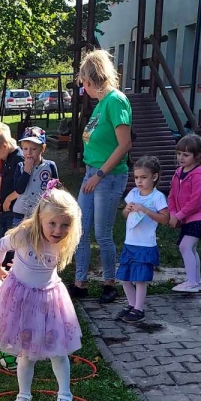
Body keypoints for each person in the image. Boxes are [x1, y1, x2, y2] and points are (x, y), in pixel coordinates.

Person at [0, 187, 83, 401]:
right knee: (25, 353)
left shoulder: (62, 242)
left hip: (49, 301)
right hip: (22, 300)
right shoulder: (24, 235)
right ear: (40, 218)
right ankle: (23, 395)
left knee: (59, 351)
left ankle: (65, 396)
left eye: (65, 225)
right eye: (52, 224)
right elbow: (1, 246)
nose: (58, 230)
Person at [71, 49, 132, 304]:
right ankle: (80, 283)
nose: (83, 88)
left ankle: (109, 283)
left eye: (84, 82)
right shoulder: (100, 105)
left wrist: (99, 174)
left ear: (92, 79)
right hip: (92, 174)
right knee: (80, 230)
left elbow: (124, 144)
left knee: (102, 233)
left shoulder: (116, 101)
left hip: (108, 176)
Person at [115, 156, 169, 322]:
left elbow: (165, 219)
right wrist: (127, 210)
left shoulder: (157, 197)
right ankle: (131, 304)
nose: (139, 181)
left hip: (145, 244)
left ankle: (139, 309)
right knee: (124, 277)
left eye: (144, 177)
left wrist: (146, 210)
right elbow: (124, 215)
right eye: (136, 177)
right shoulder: (133, 193)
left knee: (139, 279)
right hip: (129, 243)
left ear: (154, 176)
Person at [168, 133, 201, 293]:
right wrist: (173, 213)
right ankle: (197, 281)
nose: (181, 158)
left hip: (200, 217)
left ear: (197, 155)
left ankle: (192, 282)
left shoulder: (199, 175)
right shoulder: (178, 172)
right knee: (191, 248)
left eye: (186, 155)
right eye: (179, 153)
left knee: (185, 246)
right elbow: (172, 195)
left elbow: (197, 201)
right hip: (187, 217)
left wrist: (179, 215)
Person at [5, 127, 59, 223]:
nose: (29, 153)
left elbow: (55, 189)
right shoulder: (20, 166)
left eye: (34, 149)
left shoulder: (50, 166)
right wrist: (26, 171)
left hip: (42, 213)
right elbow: (19, 189)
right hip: (21, 214)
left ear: (42, 148)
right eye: (25, 149)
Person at [0, 124, 26, 243]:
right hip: (4, 208)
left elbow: (23, 185)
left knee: (11, 242)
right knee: (1, 241)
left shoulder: (19, 159)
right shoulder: (5, 156)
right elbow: (4, 177)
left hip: (14, 209)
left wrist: (8, 199)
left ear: (4, 146)